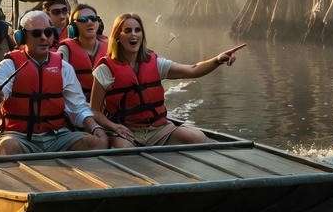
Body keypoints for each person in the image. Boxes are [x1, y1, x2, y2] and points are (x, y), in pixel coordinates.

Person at [89, 13, 243, 147]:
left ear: (142, 35)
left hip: (159, 129)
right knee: (123, 150)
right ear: (117, 37)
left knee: (196, 137)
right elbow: (94, 111)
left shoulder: (155, 63)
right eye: (127, 31)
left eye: (138, 30)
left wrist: (218, 59)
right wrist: (114, 127)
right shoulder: (105, 69)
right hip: (126, 130)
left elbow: (193, 69)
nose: (134, 34)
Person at [0, 10, 110, 155]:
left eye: (48, 32)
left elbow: (78, 108)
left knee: (97, 143)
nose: (44, 38)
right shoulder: (9, 65)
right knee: (7, 147)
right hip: (20, 137)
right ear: (22, 37)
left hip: (58, 136)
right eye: (36, 34)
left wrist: (96, 129)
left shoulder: (64, 67)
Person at [58, 3, 106, 96]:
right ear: (73, 28)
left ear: (98, 23)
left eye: (93, 19)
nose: (89, 22)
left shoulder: (110, 47)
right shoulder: (65, 49)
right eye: (83, 20)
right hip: (78, 105)